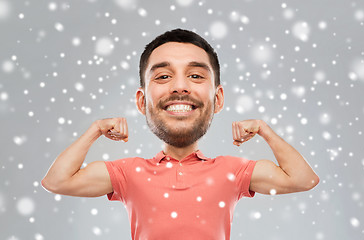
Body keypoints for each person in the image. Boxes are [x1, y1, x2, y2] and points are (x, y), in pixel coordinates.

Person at [41, 29, 319, 240]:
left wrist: (264, 130)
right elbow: (57, 181)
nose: (180, 87)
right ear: (141, 102)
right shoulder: (129, 173)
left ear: (218, 99)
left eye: (196, 76)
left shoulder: (231, 171)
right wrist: (95, 129)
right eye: (163, 76)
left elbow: (304, 179)